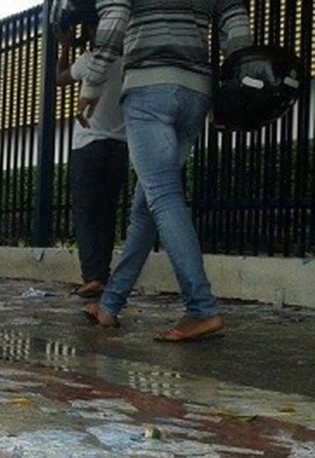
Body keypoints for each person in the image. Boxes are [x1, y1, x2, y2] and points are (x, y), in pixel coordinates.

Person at [80, 0, 250, 342]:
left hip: (148, 88)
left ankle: (201, 307)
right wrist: (234, 89)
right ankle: (110, 305)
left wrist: (92, 83)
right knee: (146, 208)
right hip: (195, 93)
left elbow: (114, 17)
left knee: (163, 197)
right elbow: (236, 23)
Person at [56, 18, 127, 300]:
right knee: (107, 213)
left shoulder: (89, 60)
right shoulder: (128, 63)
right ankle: (104, 274)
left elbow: (59, 78)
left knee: (86, 213)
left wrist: (64, 47)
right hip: (119, 147)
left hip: (88, 146)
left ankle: (92, 276)